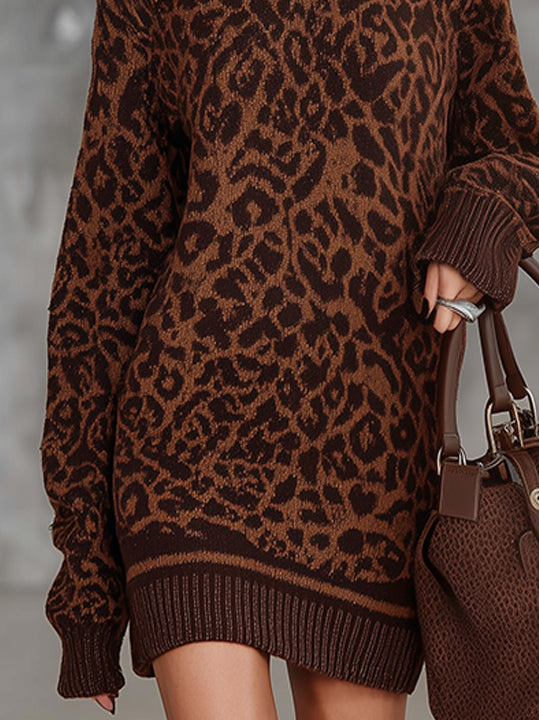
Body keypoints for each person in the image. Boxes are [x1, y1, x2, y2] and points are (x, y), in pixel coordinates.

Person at [39, 0, 539, 718]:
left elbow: (516, 149)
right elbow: (105, 262)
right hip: (190, 451)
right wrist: (86, 584)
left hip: (369, 473)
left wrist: (478, 219)